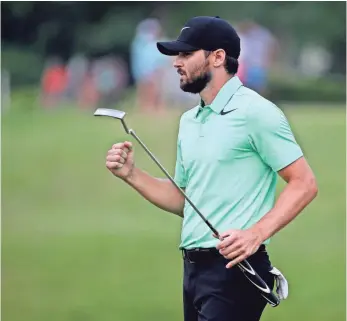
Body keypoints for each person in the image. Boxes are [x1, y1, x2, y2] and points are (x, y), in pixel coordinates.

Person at [105, 16, 318, 321]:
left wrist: (256, 234)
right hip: (193, 270)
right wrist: (132, 175)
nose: (176, 63)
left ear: (218, 57)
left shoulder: (257, 113)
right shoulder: (189, 121)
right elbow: (186, 201)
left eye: (186, 54)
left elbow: (304, 183)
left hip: (235, 269)